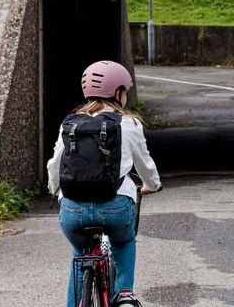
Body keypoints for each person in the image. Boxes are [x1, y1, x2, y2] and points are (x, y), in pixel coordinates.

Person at [48, 60, 161, 307]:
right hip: (116, 207)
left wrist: (55, 191)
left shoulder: (71, 123)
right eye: (125, 91)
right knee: (123, 241)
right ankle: (124, 296)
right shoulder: (128, 123)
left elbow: (55, 165)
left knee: (81, 253)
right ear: (117, 92)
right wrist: (152, 184)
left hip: (73, 211)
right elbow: (145, 165)